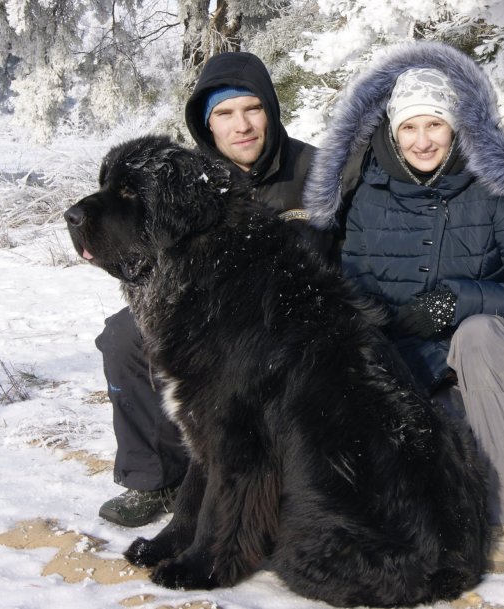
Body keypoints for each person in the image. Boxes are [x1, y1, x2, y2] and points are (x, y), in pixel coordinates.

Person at [304, 41, 504, 572]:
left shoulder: (493, 193)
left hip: (499, 353)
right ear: (391, 131)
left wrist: (459, 301)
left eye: (435, 126)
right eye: (409, 127)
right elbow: (356, 288)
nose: (422, 140)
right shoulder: (370, 196)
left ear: (455, 129)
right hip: (417, 359)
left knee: (477, 336)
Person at [95, 51, 331, 527]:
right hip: (199, 317)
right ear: (206, 124)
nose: (240, 126)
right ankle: (156, 477)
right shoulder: (181, 180)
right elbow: (147, 257)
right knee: (124, 338)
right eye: (224, 114)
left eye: (252, 109)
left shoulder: (321, 172)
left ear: (271, 110)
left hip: (291, 327)